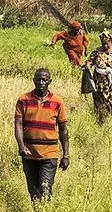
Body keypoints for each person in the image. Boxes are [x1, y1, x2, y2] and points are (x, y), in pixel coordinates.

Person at [14, 68, 71, 203]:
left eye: (44, 80)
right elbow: (18, 125)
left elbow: (63, 130)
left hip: (49, 154)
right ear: (33, 80)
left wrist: (66, 155)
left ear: (49, 81)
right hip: (29, 153)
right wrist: (21, 145)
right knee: (33, 192)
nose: (41, 82)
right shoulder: (23, 100)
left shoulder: (58, 102)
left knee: (45, 188)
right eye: (38, 79)